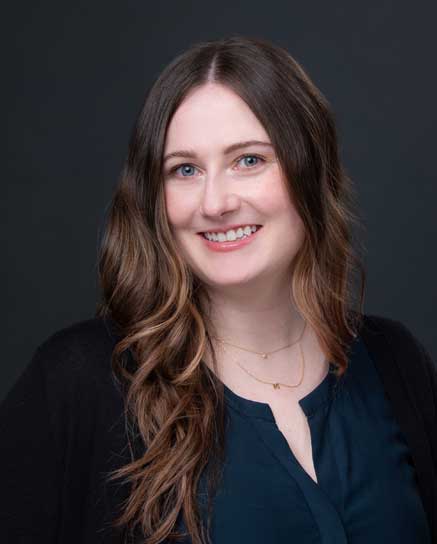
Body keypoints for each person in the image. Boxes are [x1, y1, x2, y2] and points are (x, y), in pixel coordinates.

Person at [1, 35, 436, 544]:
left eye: (249, 160)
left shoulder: (395, 363)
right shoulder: (77, 382)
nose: (215, 202)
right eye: (184, 170)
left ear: (311, 170)